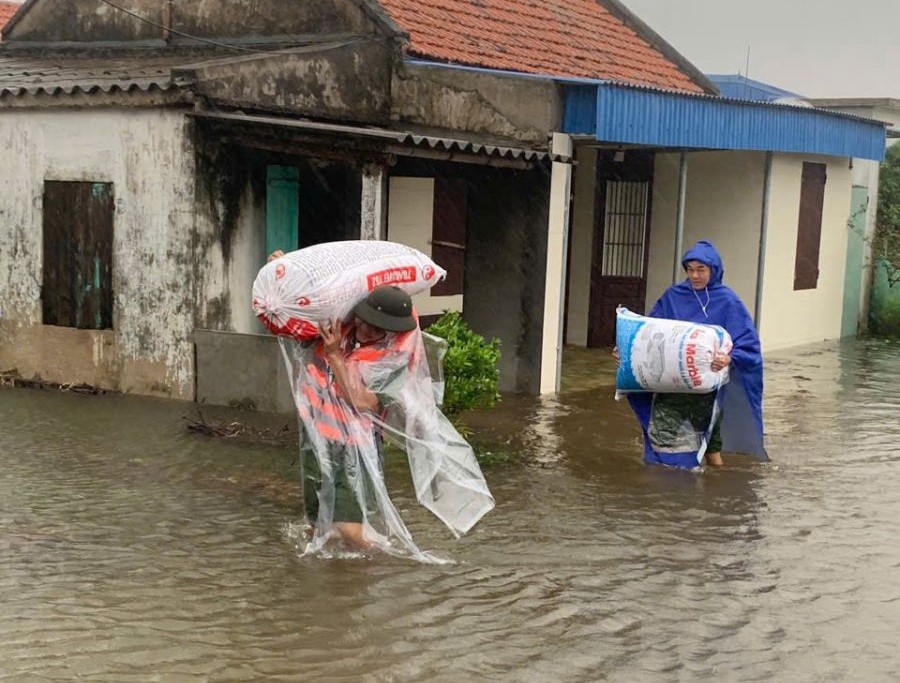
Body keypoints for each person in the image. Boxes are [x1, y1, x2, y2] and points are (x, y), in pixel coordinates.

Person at [621, 240, 766, 469]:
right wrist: (627, 350)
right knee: (666, 435)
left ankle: (713, 484)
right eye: (690, 270)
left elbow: (748, 344)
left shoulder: (728, 301)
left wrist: (729, 358)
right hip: (672, 386)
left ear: (714, 270)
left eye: (701, 270)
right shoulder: (673, 296)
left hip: (708, 389)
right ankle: (674, 482)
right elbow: (649, 331)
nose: (695, 275)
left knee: (711, 438)